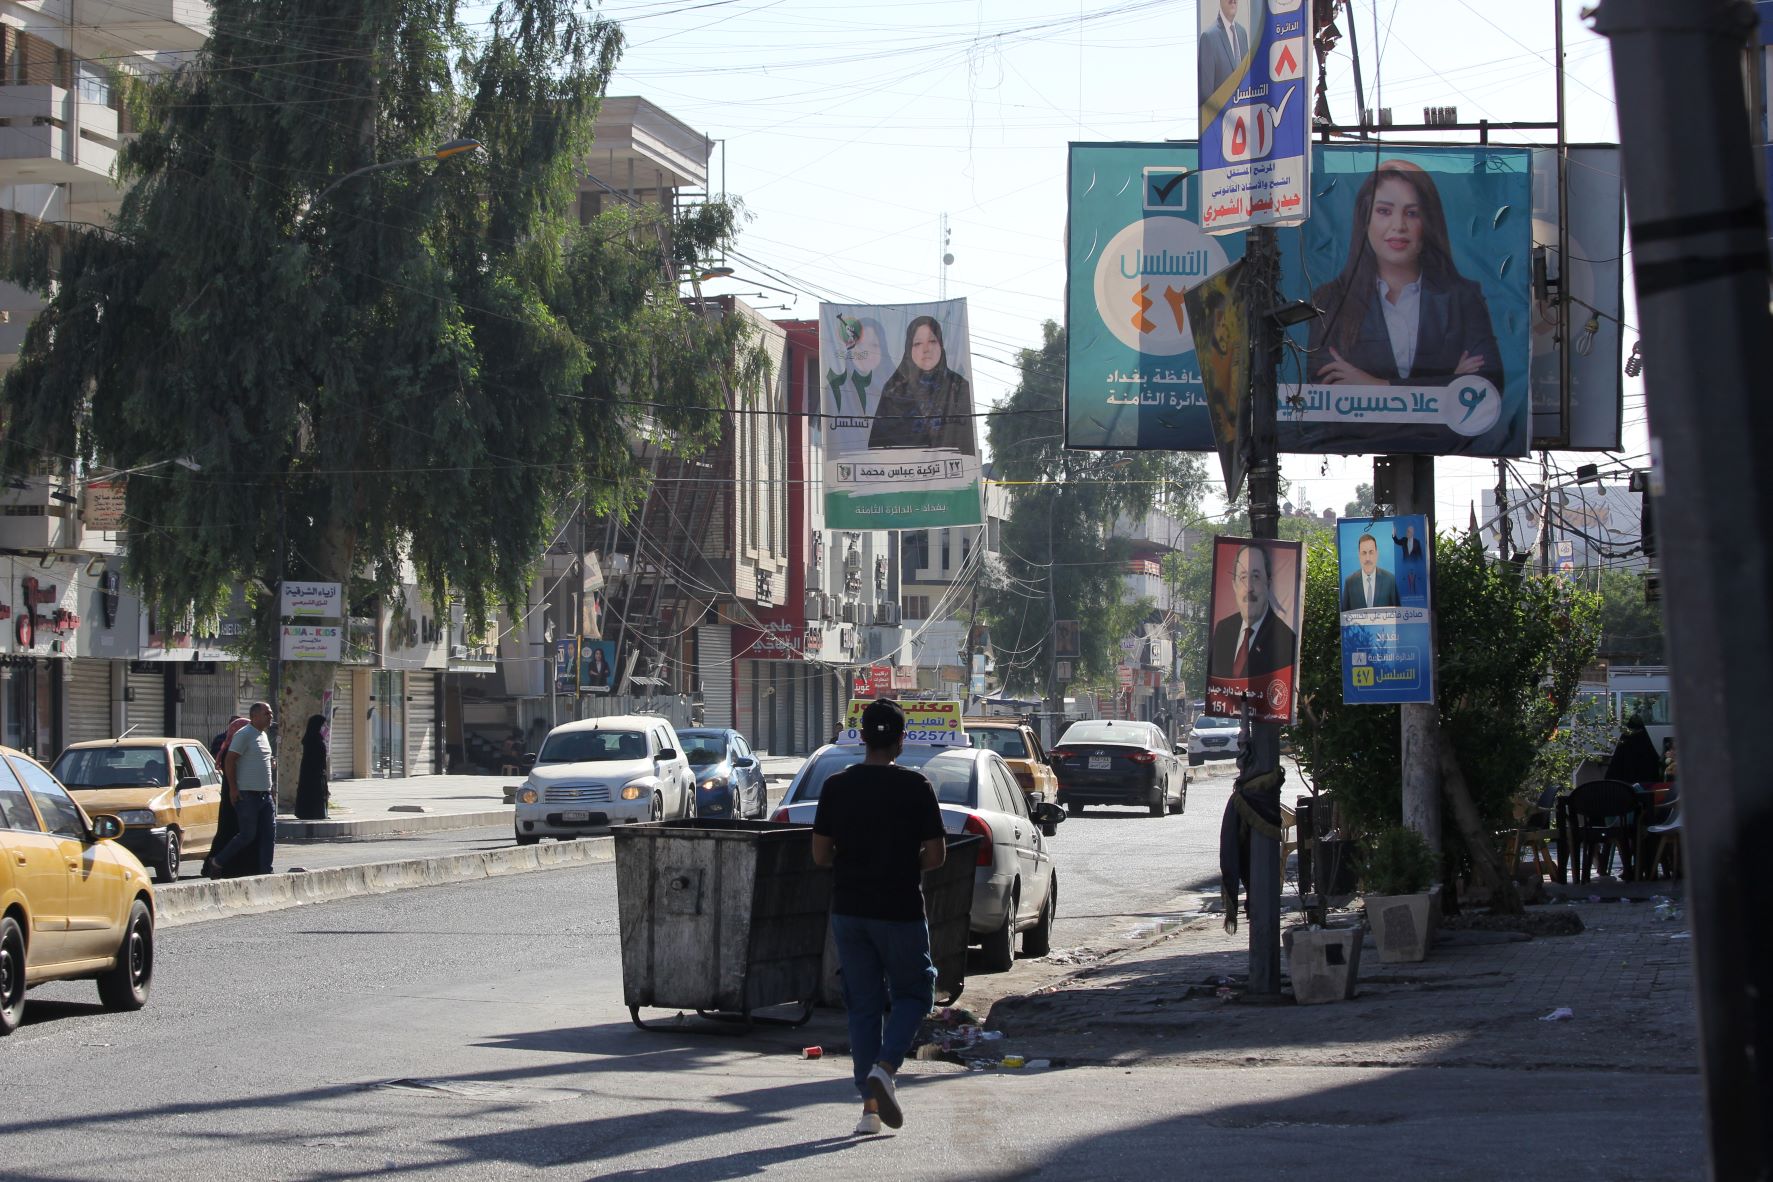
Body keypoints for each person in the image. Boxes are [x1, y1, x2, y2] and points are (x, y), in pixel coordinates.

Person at [811, 698, 947, 1137]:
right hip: (900, 909)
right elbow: (936, 856)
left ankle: (869, 1110)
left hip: (850, 909)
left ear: (862, 737)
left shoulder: (836, 786)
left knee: (863, 1005)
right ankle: (886, 1068)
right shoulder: (917, 787)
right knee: (915, 993)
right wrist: (901, 864)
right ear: (900, 742)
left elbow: (819, 854)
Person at [1306, 160, 1504, 395]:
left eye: (1412, 213)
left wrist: (1378, 386)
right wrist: (1449, 382)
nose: (1398, 226)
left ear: (1429, 222)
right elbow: (1323, 391)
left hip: (1446, 434)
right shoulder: (1330, 300)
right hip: (1355, 433)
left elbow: (1486, 385)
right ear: (1364, 219)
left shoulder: (1463, 297)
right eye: (1384, 211)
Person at [867, 316, 976, 454]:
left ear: (940, 345)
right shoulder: (893, 391)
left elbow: (967, 445)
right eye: (918, 343)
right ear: (909, 349)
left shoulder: (958, 387)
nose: (926, 349)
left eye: (932, 341)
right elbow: (877, 447)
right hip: (901, 471)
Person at [1209, 543, 1298, 680]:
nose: (1249, 588)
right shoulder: (1223, 629)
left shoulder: (1285, 639)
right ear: (1234, 585)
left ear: (1268, 584)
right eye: (1243, 577)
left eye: (1256, 577)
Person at [210, 701, 275, 877]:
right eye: (266, 713)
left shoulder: (263, 735)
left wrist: (271, 788)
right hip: (247, 795)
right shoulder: (244, 734)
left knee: (269, 834)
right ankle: (218, 861)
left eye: (270, 714)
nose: (271, 717)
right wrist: (233, 789)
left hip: (265, 795)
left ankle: (266, 872)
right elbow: (230, 760)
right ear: (254, 716)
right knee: (247, 835)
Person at [202, 714, 249, 879]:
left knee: (231, 828)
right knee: (233, 829)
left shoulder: (241, 740)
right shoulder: (230, 744)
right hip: (233, 787)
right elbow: (224, 762)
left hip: (234, 788)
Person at [1197, 0, 1248, 107]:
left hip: (1245, 116)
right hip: (1222, 120)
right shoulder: (1209, 38)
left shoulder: (1242, 33)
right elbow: (1206, 96)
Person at [1341, 533, 1400, 609]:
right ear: (1359, 556)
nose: (1367, 558)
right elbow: (1345, 616)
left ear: (1377, 554)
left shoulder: (1390, 580)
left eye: (1371, 552)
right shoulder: (1349, 582)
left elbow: (1398, 614)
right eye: (1364, 553)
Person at [1606, 715, 1662, 787]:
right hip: (1628, 784)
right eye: (1633, 730)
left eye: (1638, 731)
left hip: (1636, 784)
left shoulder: (1635, 738)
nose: (1635, 733)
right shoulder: (1640, 737)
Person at [295, 714, 329, 821]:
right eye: (323, 725)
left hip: (316, 771)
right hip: (312, 772)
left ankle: (318, 812)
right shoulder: (313, 739)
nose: (324, 727)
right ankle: (313, 813)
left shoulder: (316, 737)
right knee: (313, 792)